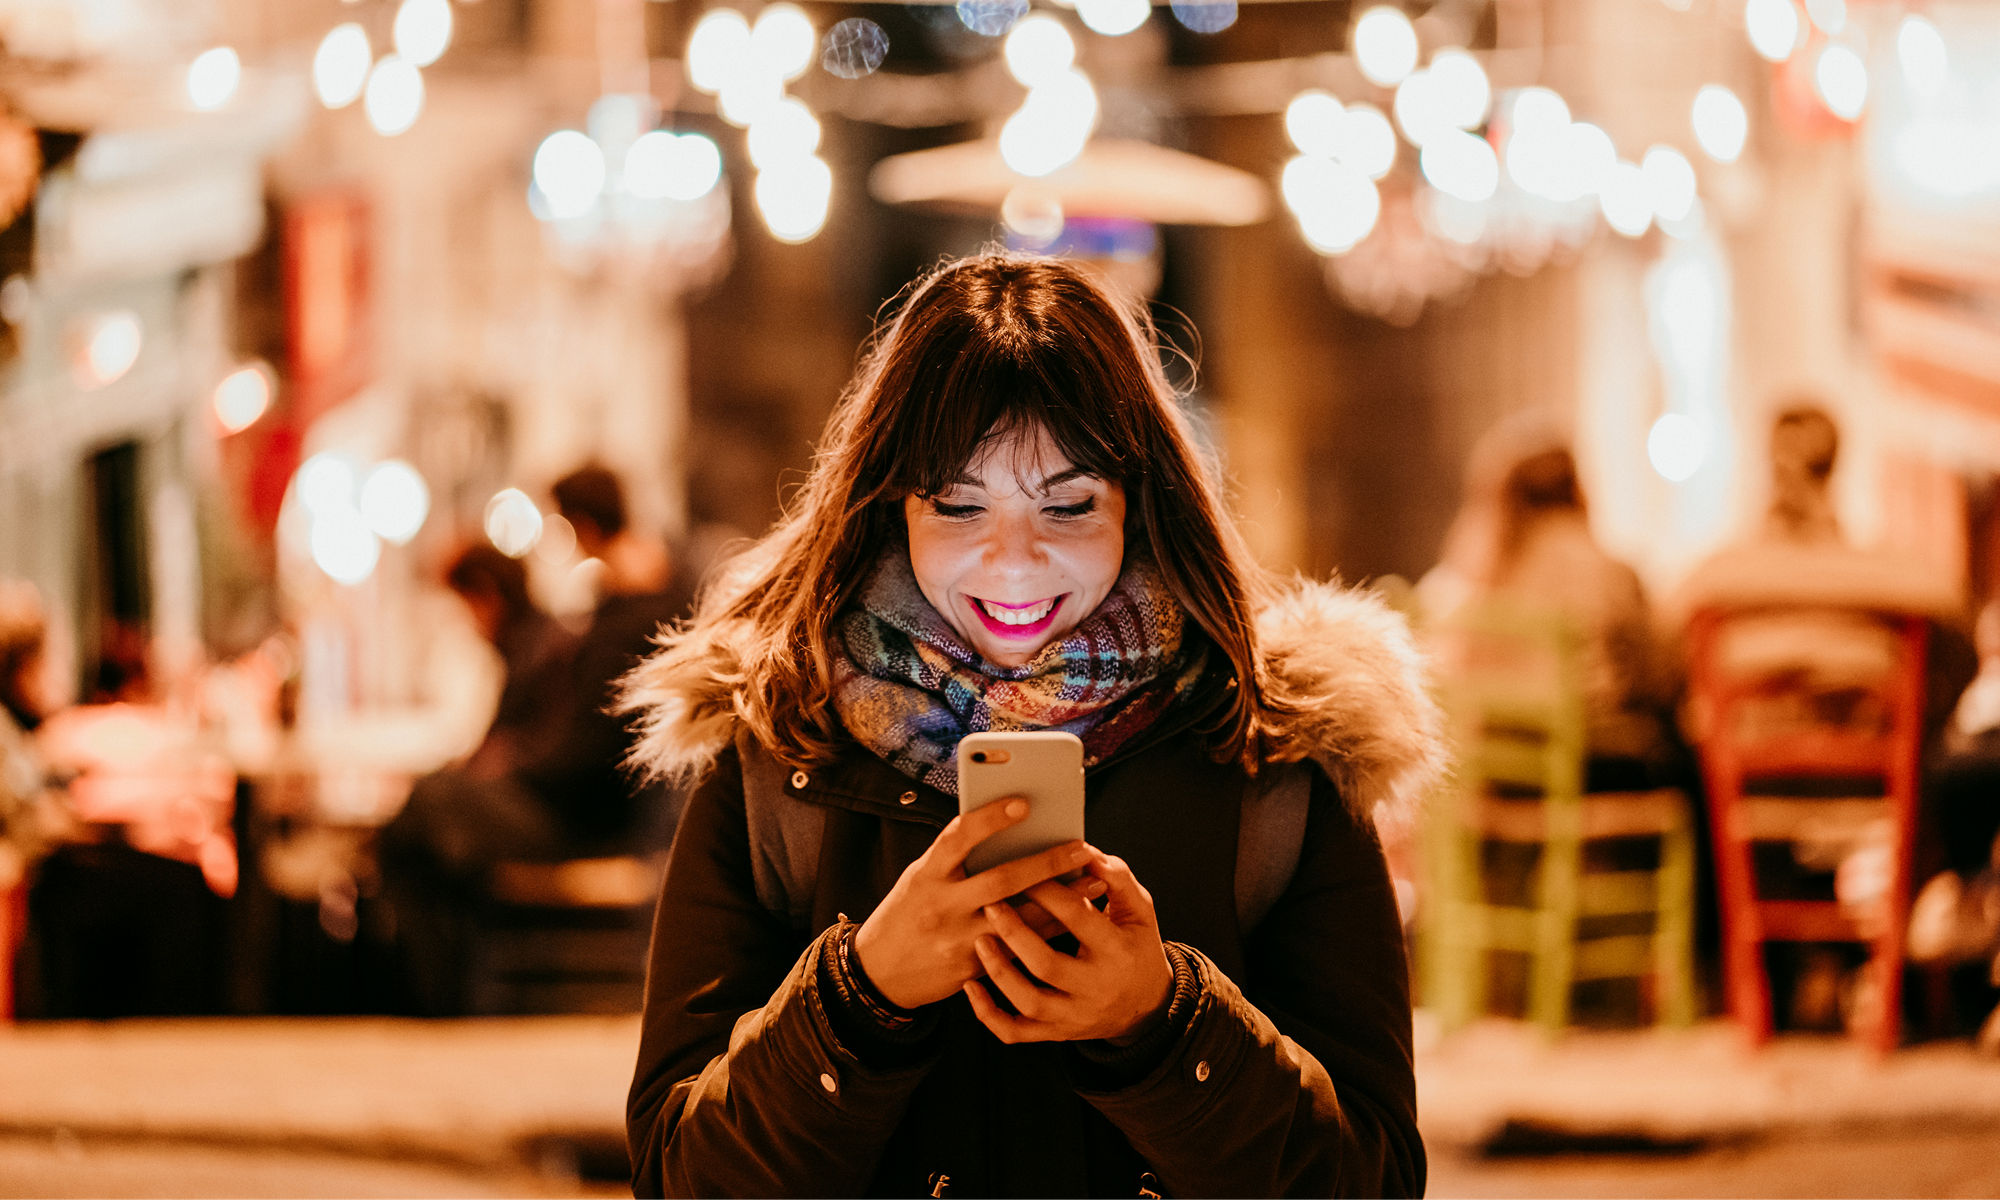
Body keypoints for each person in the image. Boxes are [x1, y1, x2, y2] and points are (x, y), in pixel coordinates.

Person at [620, 253, 1444, 1197]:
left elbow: (1371, 1181)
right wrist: (860, 997)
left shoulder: (1280, 755)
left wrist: (1165, 1024)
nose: (1013, 561)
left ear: (1140, 503)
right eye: (960, 503)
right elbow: (680, 1179)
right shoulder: (779, 748)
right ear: (895, 505)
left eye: (1068, 503)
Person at [1420, 418, 1681, 789]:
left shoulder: (1486, 578)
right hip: (1586, 763)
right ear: (1576, 486)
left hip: (1503, 768)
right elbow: (1656, 674)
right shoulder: (1607, 569)